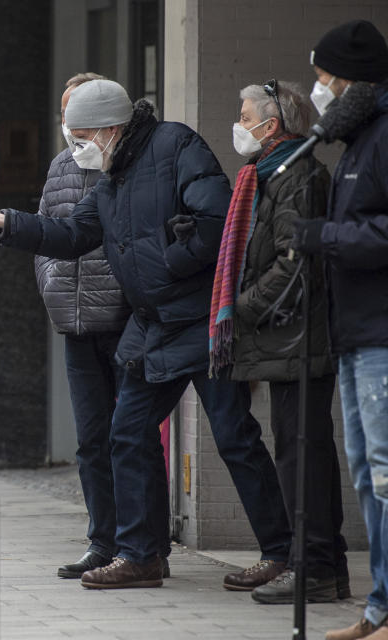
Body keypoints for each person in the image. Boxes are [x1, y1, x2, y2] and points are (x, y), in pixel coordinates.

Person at [0, 79, 291, 590]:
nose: (79, 149)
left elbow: (216, 220)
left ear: (111, 128)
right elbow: (70, 234)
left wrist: (168, 262)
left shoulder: (176, 146)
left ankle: (279, 553)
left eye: (85, 137)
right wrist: (2, 221)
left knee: (234, 436)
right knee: (126, 433)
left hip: (199, 322)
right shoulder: (111, 179)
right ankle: (140, 554)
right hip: (152, 326)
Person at [211, 79, 348, 605]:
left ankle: (313, 566)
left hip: (300, 336)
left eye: (245, 117)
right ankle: (319, 565)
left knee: (302, 454)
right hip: (287, 338)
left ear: (271, 125)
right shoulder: (268, 176)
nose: (239, 126)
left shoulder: (298, 176)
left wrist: (238, 307)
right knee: (297, 450)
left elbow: (294, 266)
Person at [0, 71, 130, 579]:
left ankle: (140, 541)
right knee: (91, 438)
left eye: (76, 115)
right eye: (63, 114)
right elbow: (45, 231)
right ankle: (102, 541)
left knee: (131, 435)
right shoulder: (60, 166)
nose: (68, 126)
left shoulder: (125, 165)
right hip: (76, 324)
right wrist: (53, 286)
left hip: (122, 319)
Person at [290, 20, 388, 640]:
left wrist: (325, 237)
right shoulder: (356, 140)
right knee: (367, 473)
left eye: (324, 78)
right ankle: (380, 607)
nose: (318, 90)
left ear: (353, 80)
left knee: (385, 469)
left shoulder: (382, 138)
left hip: (381, 334)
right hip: (355, 332)